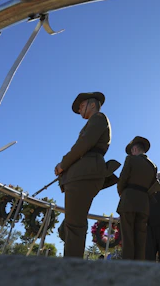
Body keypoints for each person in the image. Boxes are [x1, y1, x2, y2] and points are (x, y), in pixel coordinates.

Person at [54, 92, 111, 258]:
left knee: (74, 226)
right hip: (82, 174)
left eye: (81, 106)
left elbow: (83, 144)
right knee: (70, 225)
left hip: (84, 174)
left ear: (92, 104)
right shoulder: (96, 121)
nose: (79, 110)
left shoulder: (98, 118)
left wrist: (62, 164)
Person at [116, 136, 157, 260]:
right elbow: (153, 186)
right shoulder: (153, 166)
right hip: (144, 204)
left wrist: (122, 194)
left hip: (129, 201)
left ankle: (127, 268)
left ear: (134, 149)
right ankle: (138, 267)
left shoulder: (130, 160)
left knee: (128, 237)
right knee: (141, 239)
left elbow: (122, 181)